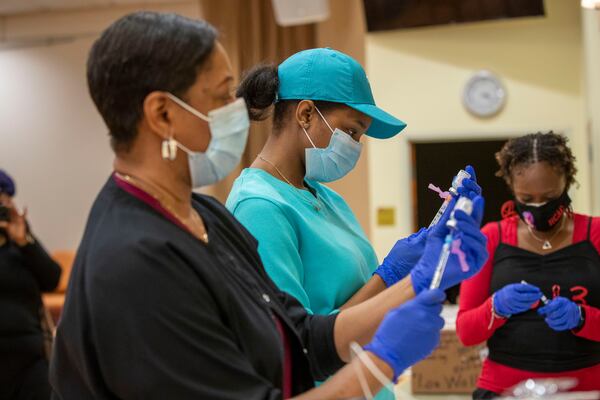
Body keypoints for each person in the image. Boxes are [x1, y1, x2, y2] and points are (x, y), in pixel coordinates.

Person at [50, 12, 488, 399]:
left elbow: (294, 335)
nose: (239, 112)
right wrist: (380, 363)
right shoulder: (133, 259)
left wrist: (421, 277)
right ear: (163, 114)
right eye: (222, 98)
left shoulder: (208, 217)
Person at [227, 50, 480, 399]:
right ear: (305, 113)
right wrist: (390, 277)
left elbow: (358, 303)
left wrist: (423, 261)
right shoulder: (259, 207)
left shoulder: (326, 198)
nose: (356, 146)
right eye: (351, 130)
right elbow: (297, 345)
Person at [456, 132, 600, 399]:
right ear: (512, 188)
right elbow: (466, 332)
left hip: (587, 389)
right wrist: (495, 308)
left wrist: (583, 318)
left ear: (566, 183)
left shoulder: (596, 233)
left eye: (549, 196)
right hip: (503, 389)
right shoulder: (492, 237)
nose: (539, 207)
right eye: (527, 198)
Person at [0, 170, 62, 400]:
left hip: (30, 358)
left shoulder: (22, 244)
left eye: (4, 202)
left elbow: (52, 278)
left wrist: (25, 241)